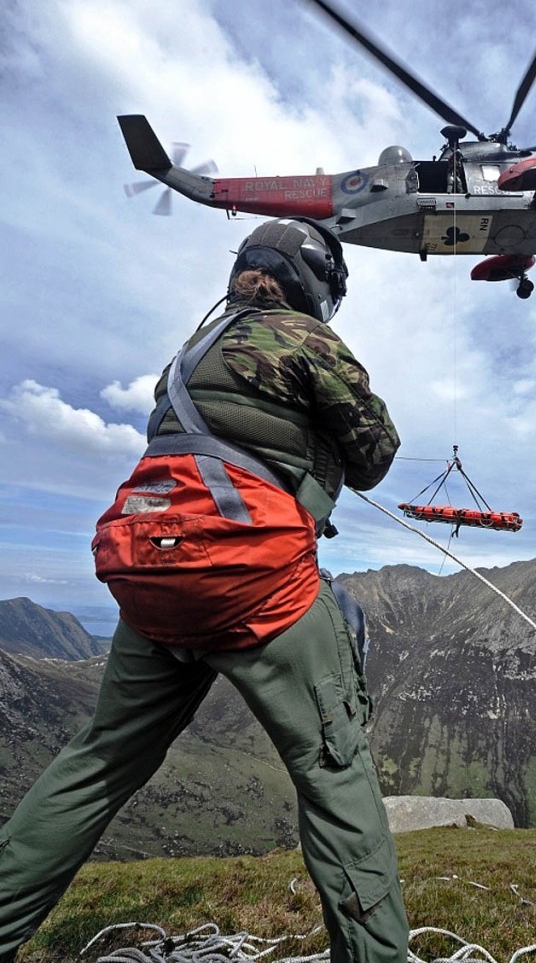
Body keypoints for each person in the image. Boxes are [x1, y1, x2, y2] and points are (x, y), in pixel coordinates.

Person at [0, 218, 408, 963]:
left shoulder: (183, 359)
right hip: (253, 580)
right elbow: (376, 454)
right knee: (335, 773)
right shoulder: (307, 339)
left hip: (147, 578)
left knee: (99, 759)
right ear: (315, 283)